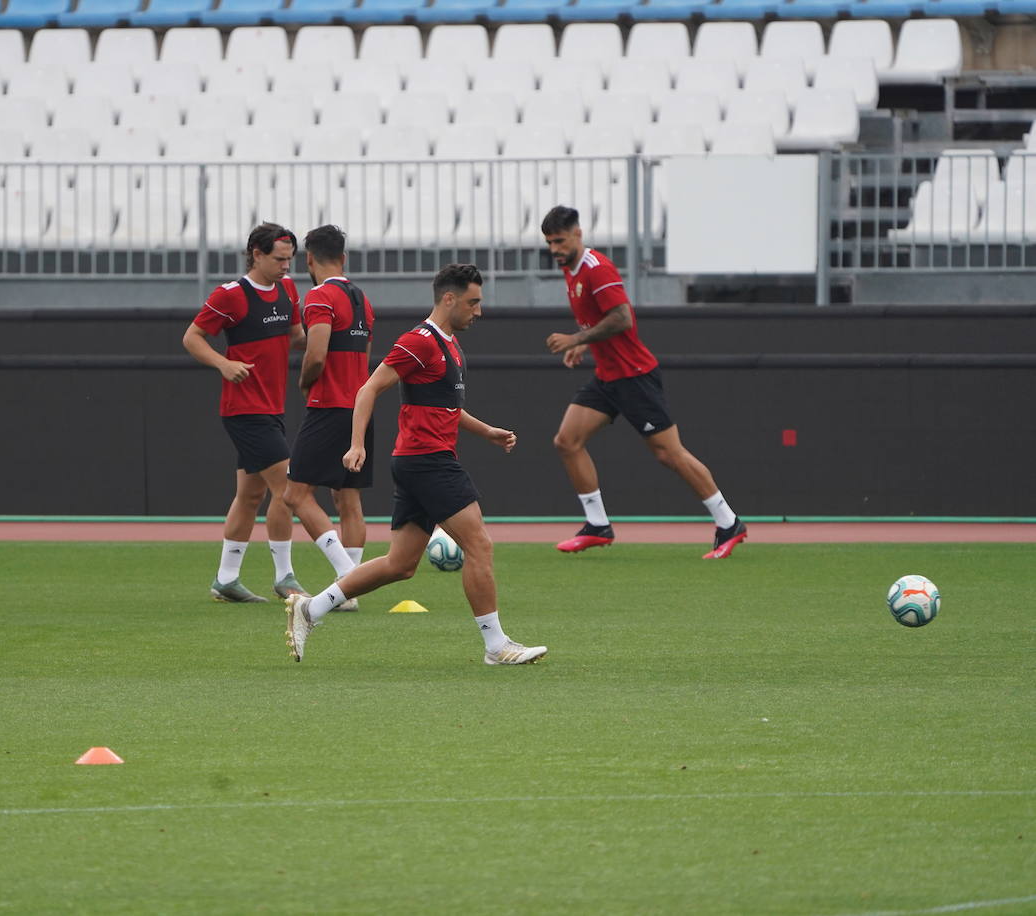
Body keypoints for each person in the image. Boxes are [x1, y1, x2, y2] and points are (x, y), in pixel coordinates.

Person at [285, 264, 548, 666]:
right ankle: (496, 646)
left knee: (400, 564)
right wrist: (357, 444)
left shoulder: (451, 346)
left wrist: (487, 431)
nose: (479, 311)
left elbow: (447, 408)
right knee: (478, 544)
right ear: (448, 299)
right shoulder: (419, 341)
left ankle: (312, 609)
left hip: (421, 461)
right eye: (473, 302)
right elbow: (369, 388)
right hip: (427, 461)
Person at [540, 205, 747, 559]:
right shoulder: (570, 270)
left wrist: (575, 340)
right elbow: (599, 321)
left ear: (578, 234)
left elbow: (621, 318)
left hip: (634, 376)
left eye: (560, 241)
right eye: (549, 243)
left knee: (670, 454)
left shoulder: (596, 268)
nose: (555, 249)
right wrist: (585, 345)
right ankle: (597, 525)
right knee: (567, 441)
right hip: (608, 377)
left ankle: (728, 522)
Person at [183, 222, 308, 603]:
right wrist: (223, 363)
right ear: (256, 253)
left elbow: (298, 338)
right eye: (279, 259)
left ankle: (225, 579)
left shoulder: (287, 289)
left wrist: (329, 336)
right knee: (286, 491)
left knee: (250, 495)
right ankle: (285, 577)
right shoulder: (230, 295)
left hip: (272, 406)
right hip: (245, 409)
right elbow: (192, 337)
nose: (287, 267)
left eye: (290, 259)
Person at [281, 225, 373, 612]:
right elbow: (365, 354)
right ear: (345, 258)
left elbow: (315, 354)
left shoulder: (320, 296)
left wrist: (305, 383)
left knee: (295, 494)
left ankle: (345, 580)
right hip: (359, 409)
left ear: (309, 259)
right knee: (347, 498)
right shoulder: (362, 298)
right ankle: (354, 583)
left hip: (329, 406)